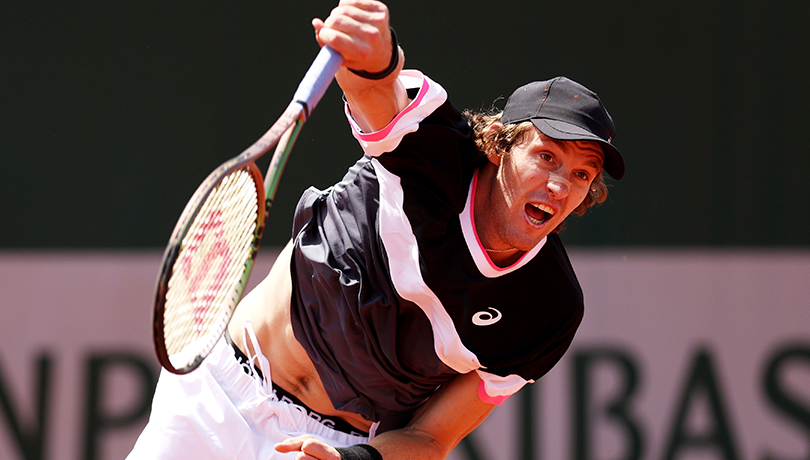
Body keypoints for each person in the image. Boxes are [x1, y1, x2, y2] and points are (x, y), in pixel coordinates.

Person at [128, 0, 625, 459]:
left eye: (582, 174)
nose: (560, 184)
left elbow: (432, 437)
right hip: (218, 390)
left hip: (333, 444)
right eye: (545, 156)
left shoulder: (547, 309)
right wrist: (376, 58)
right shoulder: (427, 149)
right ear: (500, 146)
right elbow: (373, 88)